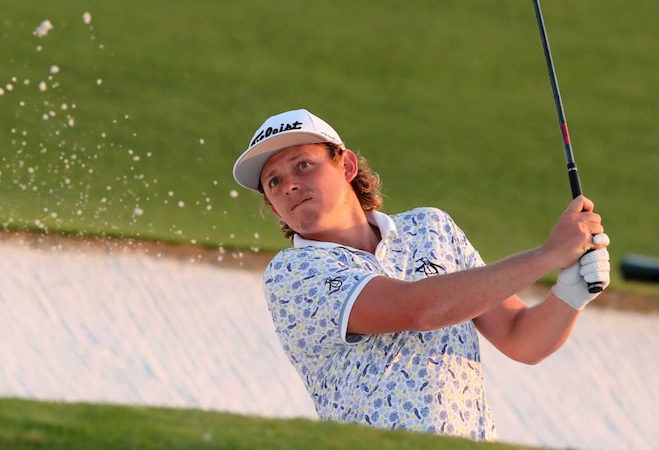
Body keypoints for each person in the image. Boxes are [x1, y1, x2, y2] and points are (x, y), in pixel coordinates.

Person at [231, 108, 611, 441]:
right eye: (274, 182)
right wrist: (548, 255)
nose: (290, 185)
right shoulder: (292, 275)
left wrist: (571, 292)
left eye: (303, 164)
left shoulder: (431, 228)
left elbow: (521, 339)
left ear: (345, 166)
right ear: (274, 209)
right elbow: (420, 310)